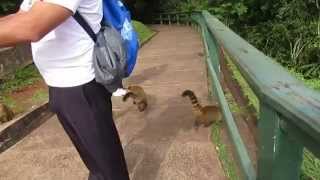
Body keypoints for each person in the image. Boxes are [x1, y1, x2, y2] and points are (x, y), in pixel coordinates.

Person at [0, 0, 130, 180]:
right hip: (60, 85)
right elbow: (20, 18)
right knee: (94, 160)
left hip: (81, 86)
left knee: (107, 166)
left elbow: (31, 27)